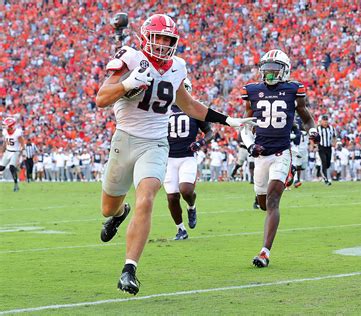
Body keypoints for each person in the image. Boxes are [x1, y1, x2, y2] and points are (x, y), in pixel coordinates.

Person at [95, 14, 253, 295]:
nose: (164, 45)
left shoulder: (177, 66)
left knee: (146, 198)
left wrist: (228, 120)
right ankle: (120, 215)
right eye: (159, 38)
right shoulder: (130, 57)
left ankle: (129, 269)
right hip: (125, 138)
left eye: (169, 39)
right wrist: (128, 84)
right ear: (146, 37)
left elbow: (190, 105)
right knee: (108, 208)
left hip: (155, 143)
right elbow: (101, 98)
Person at [240, 49, 318, 268]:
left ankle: (264, 252)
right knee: (263, 203)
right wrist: (250, 145)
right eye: (266, 70)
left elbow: (307, 118)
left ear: (285, 70)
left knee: (274, 201)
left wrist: (313, 131)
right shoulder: (253, 91)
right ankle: (280, 182)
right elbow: (246, 125)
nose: (270, 75)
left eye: (274, 71)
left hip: (281, 153)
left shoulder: (294, 89)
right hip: (260, 155)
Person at [164, 78, 213, 240]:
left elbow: (210, 133)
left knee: (186, 190)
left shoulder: (194, 108)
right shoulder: (162, 109)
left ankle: (192, 206)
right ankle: (181, 229)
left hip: (187, 157)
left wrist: (199, 143)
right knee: (172, 197)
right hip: (168, 158)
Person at [0, 117, 25, 192]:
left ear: (11, 126)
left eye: (6, 125)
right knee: (1, 168)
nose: (4, 126)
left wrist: (21, 152)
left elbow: (22, 143)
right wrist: (2, 151)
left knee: (11, 167)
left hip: (15, 151)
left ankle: (16, 184)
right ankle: (16, 171)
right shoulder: (5, 132)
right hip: (8, 151)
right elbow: (5, 142)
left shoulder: (17, 133)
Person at [316, 115, 336, 185]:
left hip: (329, 147)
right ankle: (325, 179)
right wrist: (315, 145)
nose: (325, 122)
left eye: (326, 121)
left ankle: (320, 171)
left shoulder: (331, 128)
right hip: (321, 147)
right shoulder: (318, 129)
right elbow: (314, 137)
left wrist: (334, 143)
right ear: (321, 121)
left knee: (328, 164)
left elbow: (334, 136)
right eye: (324, 121)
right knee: (324, 162)